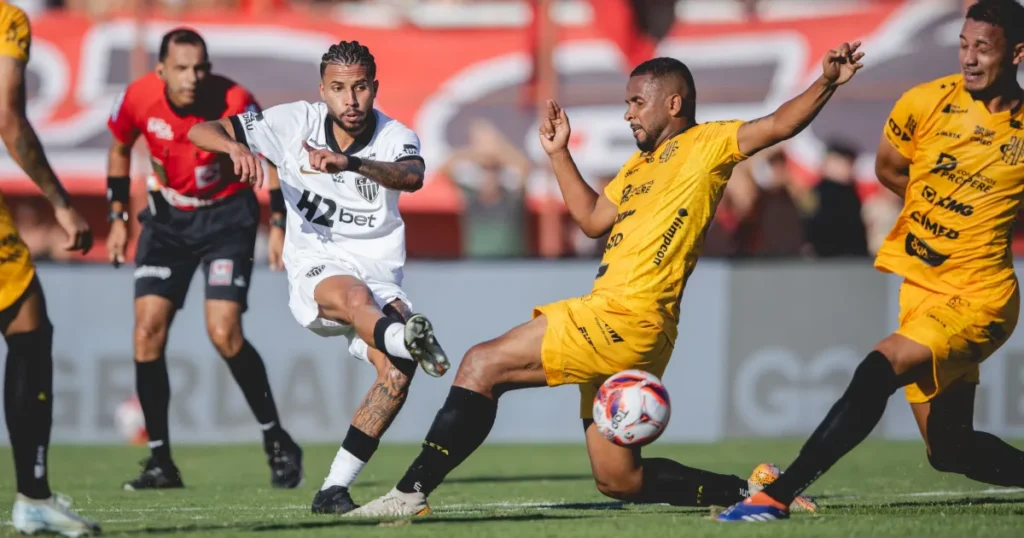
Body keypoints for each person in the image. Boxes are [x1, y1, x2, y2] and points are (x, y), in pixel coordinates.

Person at [346, 41, 865, 517]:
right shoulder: (636, 168)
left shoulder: (708, 146)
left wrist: (826, 82)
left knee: (483, 364)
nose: (628, 111)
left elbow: (776, 125)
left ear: (673, 104)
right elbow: (593, 219)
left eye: (637, 101)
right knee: (618, 480)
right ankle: (757, 491)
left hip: (628, 315)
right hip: (622, 319)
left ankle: (410, 493)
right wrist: (558, 154)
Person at [719, 0, 1024, 522]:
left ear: (1017, 53)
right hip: (920, 291)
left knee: (878, 368)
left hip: (980, 299)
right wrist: (938, 208)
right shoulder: (923, 103)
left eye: (984, 48)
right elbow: (889, 169)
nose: (970, 59)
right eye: (964, 45)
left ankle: (777, 495)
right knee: (949, 451)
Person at [188, 40, 451, 515]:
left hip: (380, 273)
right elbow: (200, 131)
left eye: (360, 88)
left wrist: (348, 163)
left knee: (396, 376)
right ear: (322, 91)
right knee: (354, 297)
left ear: (375, 88)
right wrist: (232, 147)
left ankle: (332, 489)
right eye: (338, 89)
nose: (350, 100)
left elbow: (412, 177)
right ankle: (402, 337)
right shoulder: (295, 123)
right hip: (317, 265)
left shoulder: (395, 135)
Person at [105, 28, 300, 491]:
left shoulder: (235, 98)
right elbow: (118, 146)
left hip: (228, 219)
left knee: (224, 332)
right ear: (162, 70)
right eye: (183, 68)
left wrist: (278, 225)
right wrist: (116, 216)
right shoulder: (137, 97)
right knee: (146, 331)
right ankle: (160, 462)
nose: (193, 77)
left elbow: (271, 157)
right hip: (168, 220)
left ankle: (276, 438)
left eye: (201, 67)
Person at [0, 2, 101, 535]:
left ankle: (35, 497)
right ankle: (33, 496)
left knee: (28, 321)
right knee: (28, 330)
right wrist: (61, 202)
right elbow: (9, 121)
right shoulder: (7, 21)